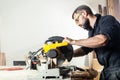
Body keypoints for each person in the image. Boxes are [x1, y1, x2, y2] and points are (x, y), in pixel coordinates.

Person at [63, 5, 120, 80]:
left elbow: (102, 40)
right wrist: (68, 54)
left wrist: (73, 41)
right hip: (107, 70)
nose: (78, 24)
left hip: (117, 69)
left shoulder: (106, 20)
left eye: (77, 20)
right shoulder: (92, 31)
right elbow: (85, 49)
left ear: (84, 13)